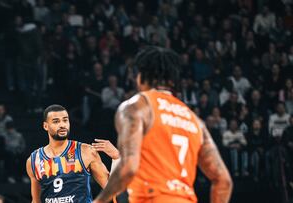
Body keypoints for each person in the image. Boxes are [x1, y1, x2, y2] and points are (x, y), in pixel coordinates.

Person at [94, 46, 232, 203]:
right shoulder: (194, 120)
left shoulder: (137, 107)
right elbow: (223, 181)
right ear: (172, 80)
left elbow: (129, 167)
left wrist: (99, 201)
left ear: (140, 76)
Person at [26, 105, 112, 203]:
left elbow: (111, 188)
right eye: (56, 121)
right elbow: (36, 201)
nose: (62, 125)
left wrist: (116, 158)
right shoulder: (33, 160)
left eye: (65, 120)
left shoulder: (86, 151)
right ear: (45, 126)